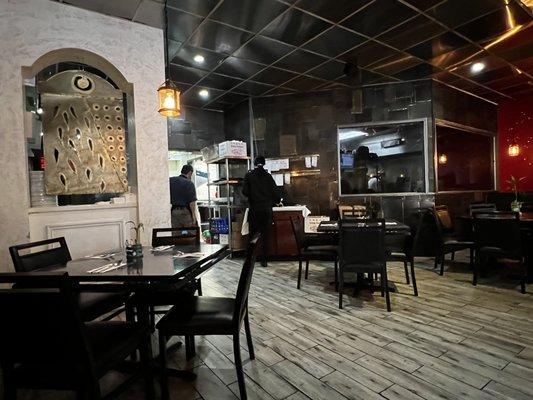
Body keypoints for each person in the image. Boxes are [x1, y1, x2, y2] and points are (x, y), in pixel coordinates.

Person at [243, 155, 280, 267]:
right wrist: (275, 201)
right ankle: (264, 260)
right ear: (264, 164)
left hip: (254, 209)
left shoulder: (249, 176)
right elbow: (276, 194)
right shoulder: (268, 177)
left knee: (253, 235)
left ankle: (251, 259)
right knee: (265, 235)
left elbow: (245, 192)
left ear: (254, 163)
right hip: (266, 210)